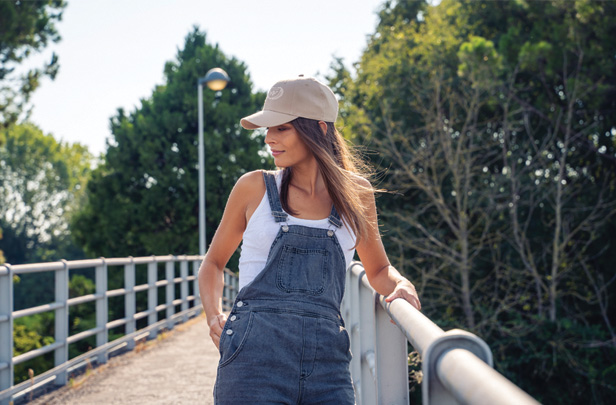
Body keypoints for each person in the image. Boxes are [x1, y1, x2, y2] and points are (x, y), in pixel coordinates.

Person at [198, 75, 421, 404]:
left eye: (281, 128)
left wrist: (401, 284)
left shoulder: (357, 194)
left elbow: (377, 270)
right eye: (267, 129)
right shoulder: (253, 188)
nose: (268, 139)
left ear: (318, 128)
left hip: (328, 367)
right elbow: (214, 263)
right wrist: (213, 314)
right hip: (252, 362)